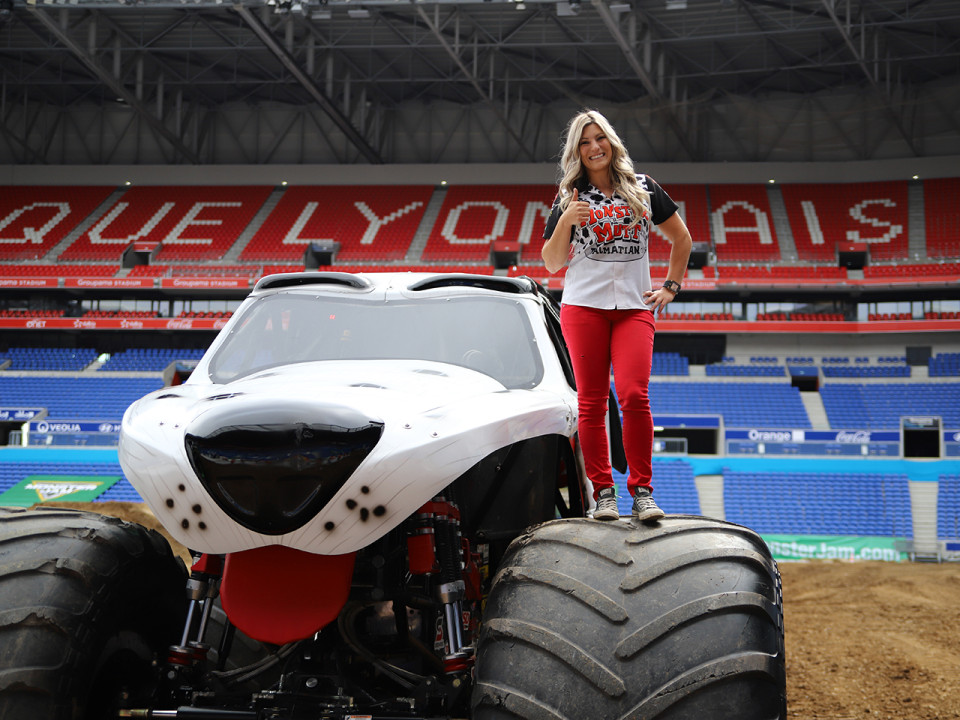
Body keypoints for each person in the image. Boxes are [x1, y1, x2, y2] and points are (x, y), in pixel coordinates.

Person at [542, 109, 692, 522]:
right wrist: (566, 221)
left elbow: (682, 238)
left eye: (599, 138)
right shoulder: (568, 196)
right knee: (591, 403)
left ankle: (642, 492)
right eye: (584, 142)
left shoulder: (644, 188)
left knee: (633, 395)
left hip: (634, 308)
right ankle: (603, 494)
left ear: (611, 141)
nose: (594, 147)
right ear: (577, 151)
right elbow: (552, 262)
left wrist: (671, 285)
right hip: (583, 308)